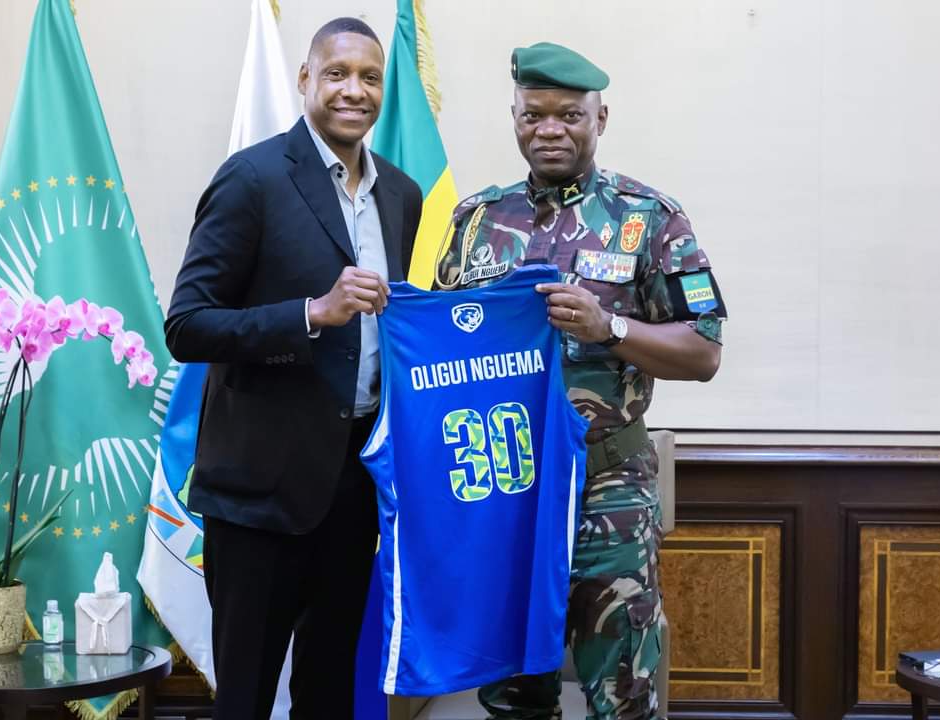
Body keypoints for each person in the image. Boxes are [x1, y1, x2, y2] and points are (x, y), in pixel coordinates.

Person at [434, 41, 727, 720]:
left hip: (608, 486)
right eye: (532, 115)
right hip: (505, 488)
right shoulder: (476, 221)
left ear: (601, 118)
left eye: (569, 115)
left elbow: (705, 352)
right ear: (514, 117)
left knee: (622, 692)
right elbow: (443, 349)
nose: (549, 130)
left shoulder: (648, 218)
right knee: (514, 692)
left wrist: (609, 327)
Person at [164, 17, 422, 719]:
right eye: (337, 73)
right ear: (305, 79)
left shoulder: (401, 194)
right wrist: (311, 313)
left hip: (354, 487)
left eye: (369, 78)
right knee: (245, 698)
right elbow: (186, 325)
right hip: (258, 494)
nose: (354, 90)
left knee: (330, 693)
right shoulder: (251, 178)